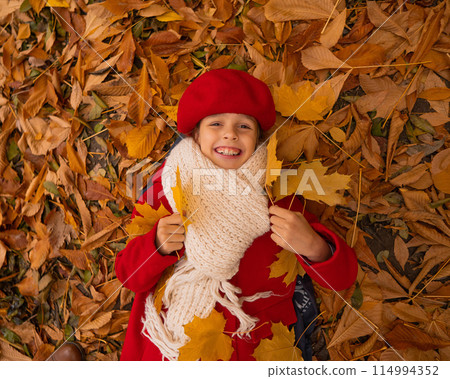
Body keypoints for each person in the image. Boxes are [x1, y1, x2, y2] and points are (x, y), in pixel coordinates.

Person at [115, 69, 358, 361]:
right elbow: (128, 277)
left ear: (258, 140)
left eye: (244, 126)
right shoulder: (168, 189)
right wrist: (157, 246)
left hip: (253, 342)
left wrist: (315, 247)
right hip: (170, 341)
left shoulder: (276, 196)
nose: (230, 133)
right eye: (216, 124)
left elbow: (343, 278)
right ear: (195, 134)